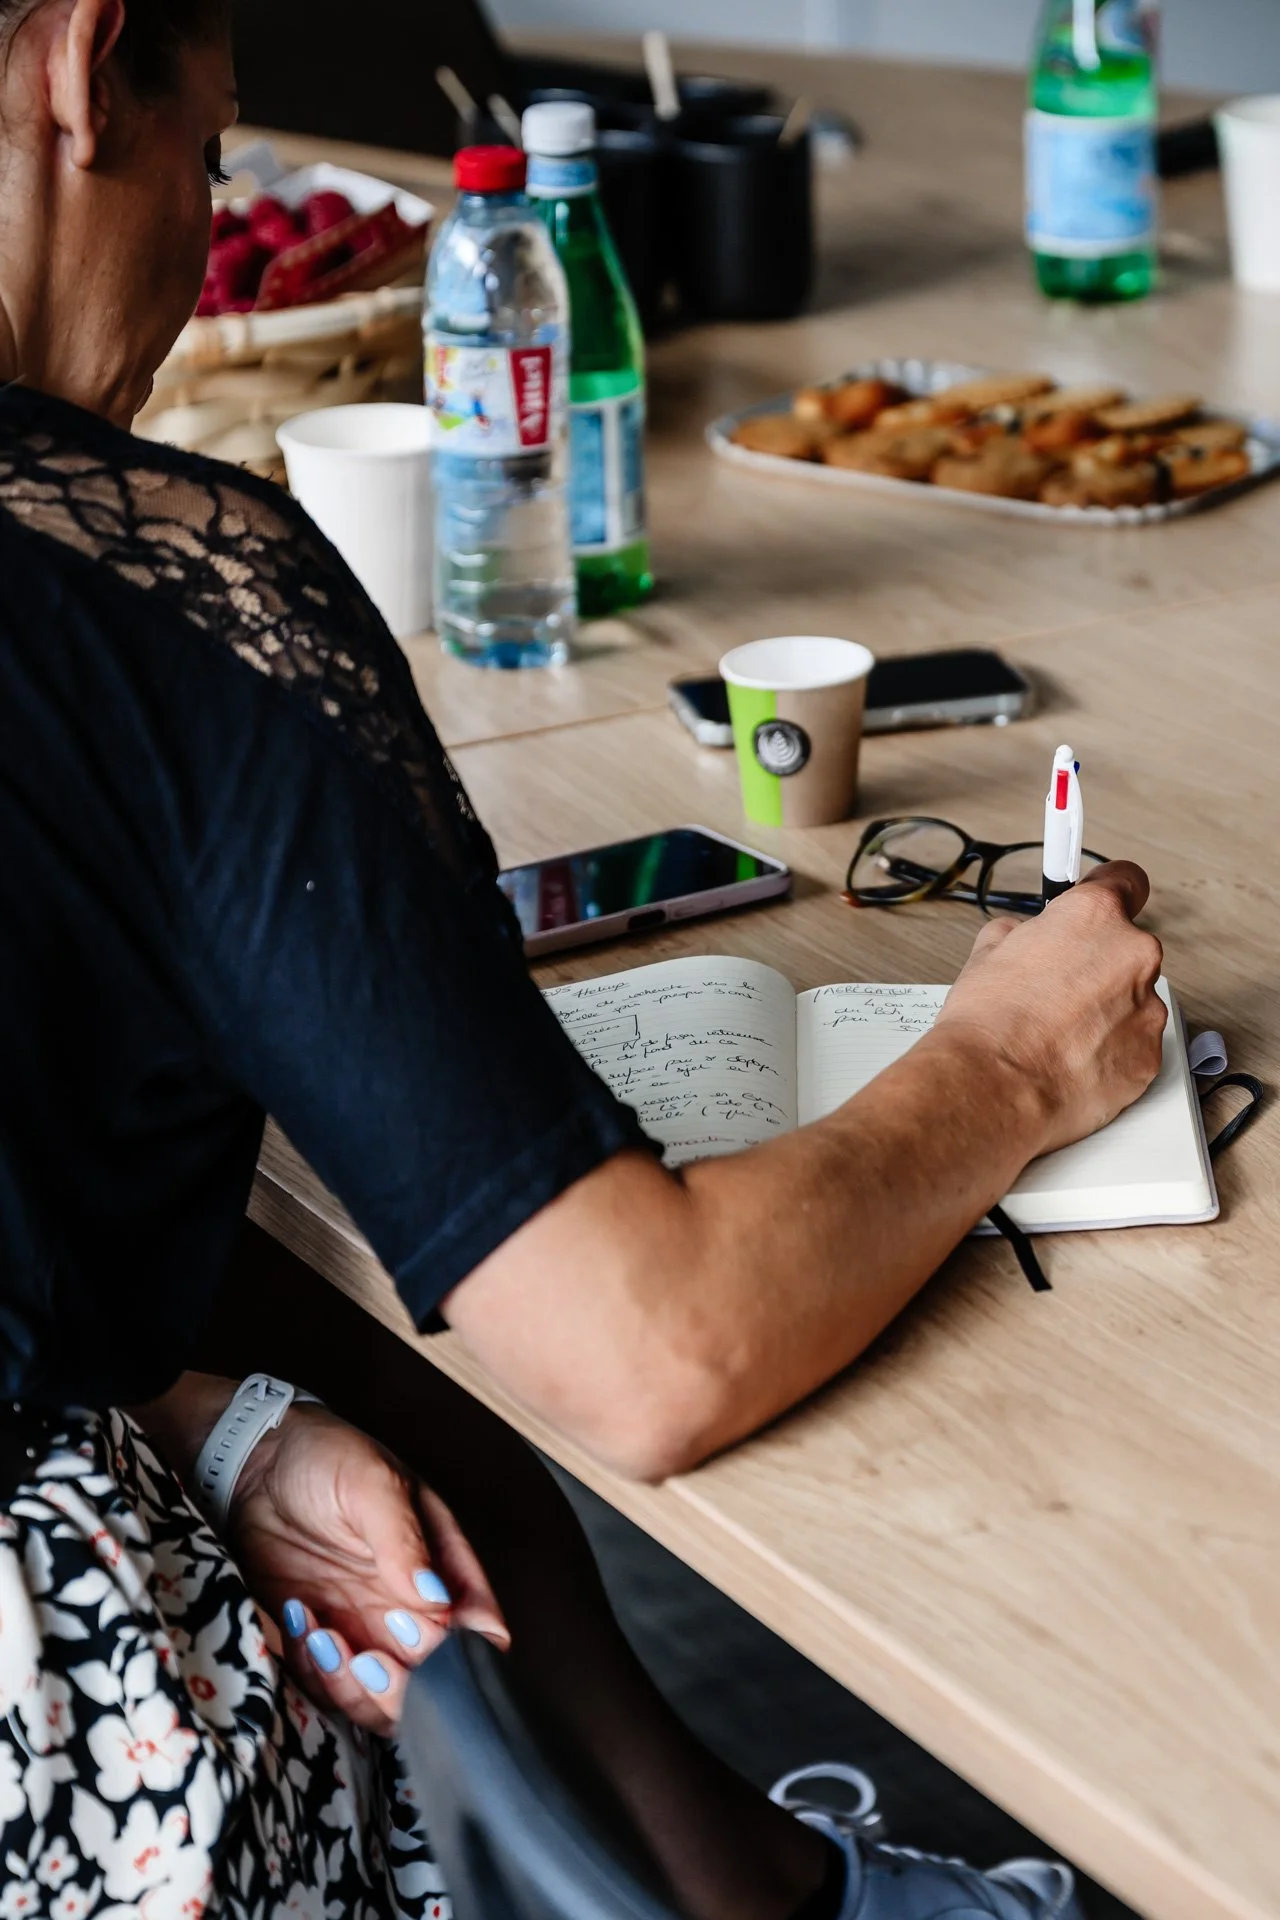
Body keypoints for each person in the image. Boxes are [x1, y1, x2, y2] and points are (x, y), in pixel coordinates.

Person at [0, 0, 1167, 1912]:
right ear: (80, 64)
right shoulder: (147, 569)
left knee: (357, 1379)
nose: (195, 284)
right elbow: (653, 1348)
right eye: (210, 161)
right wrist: (1016, 1062)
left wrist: (211, 1419)